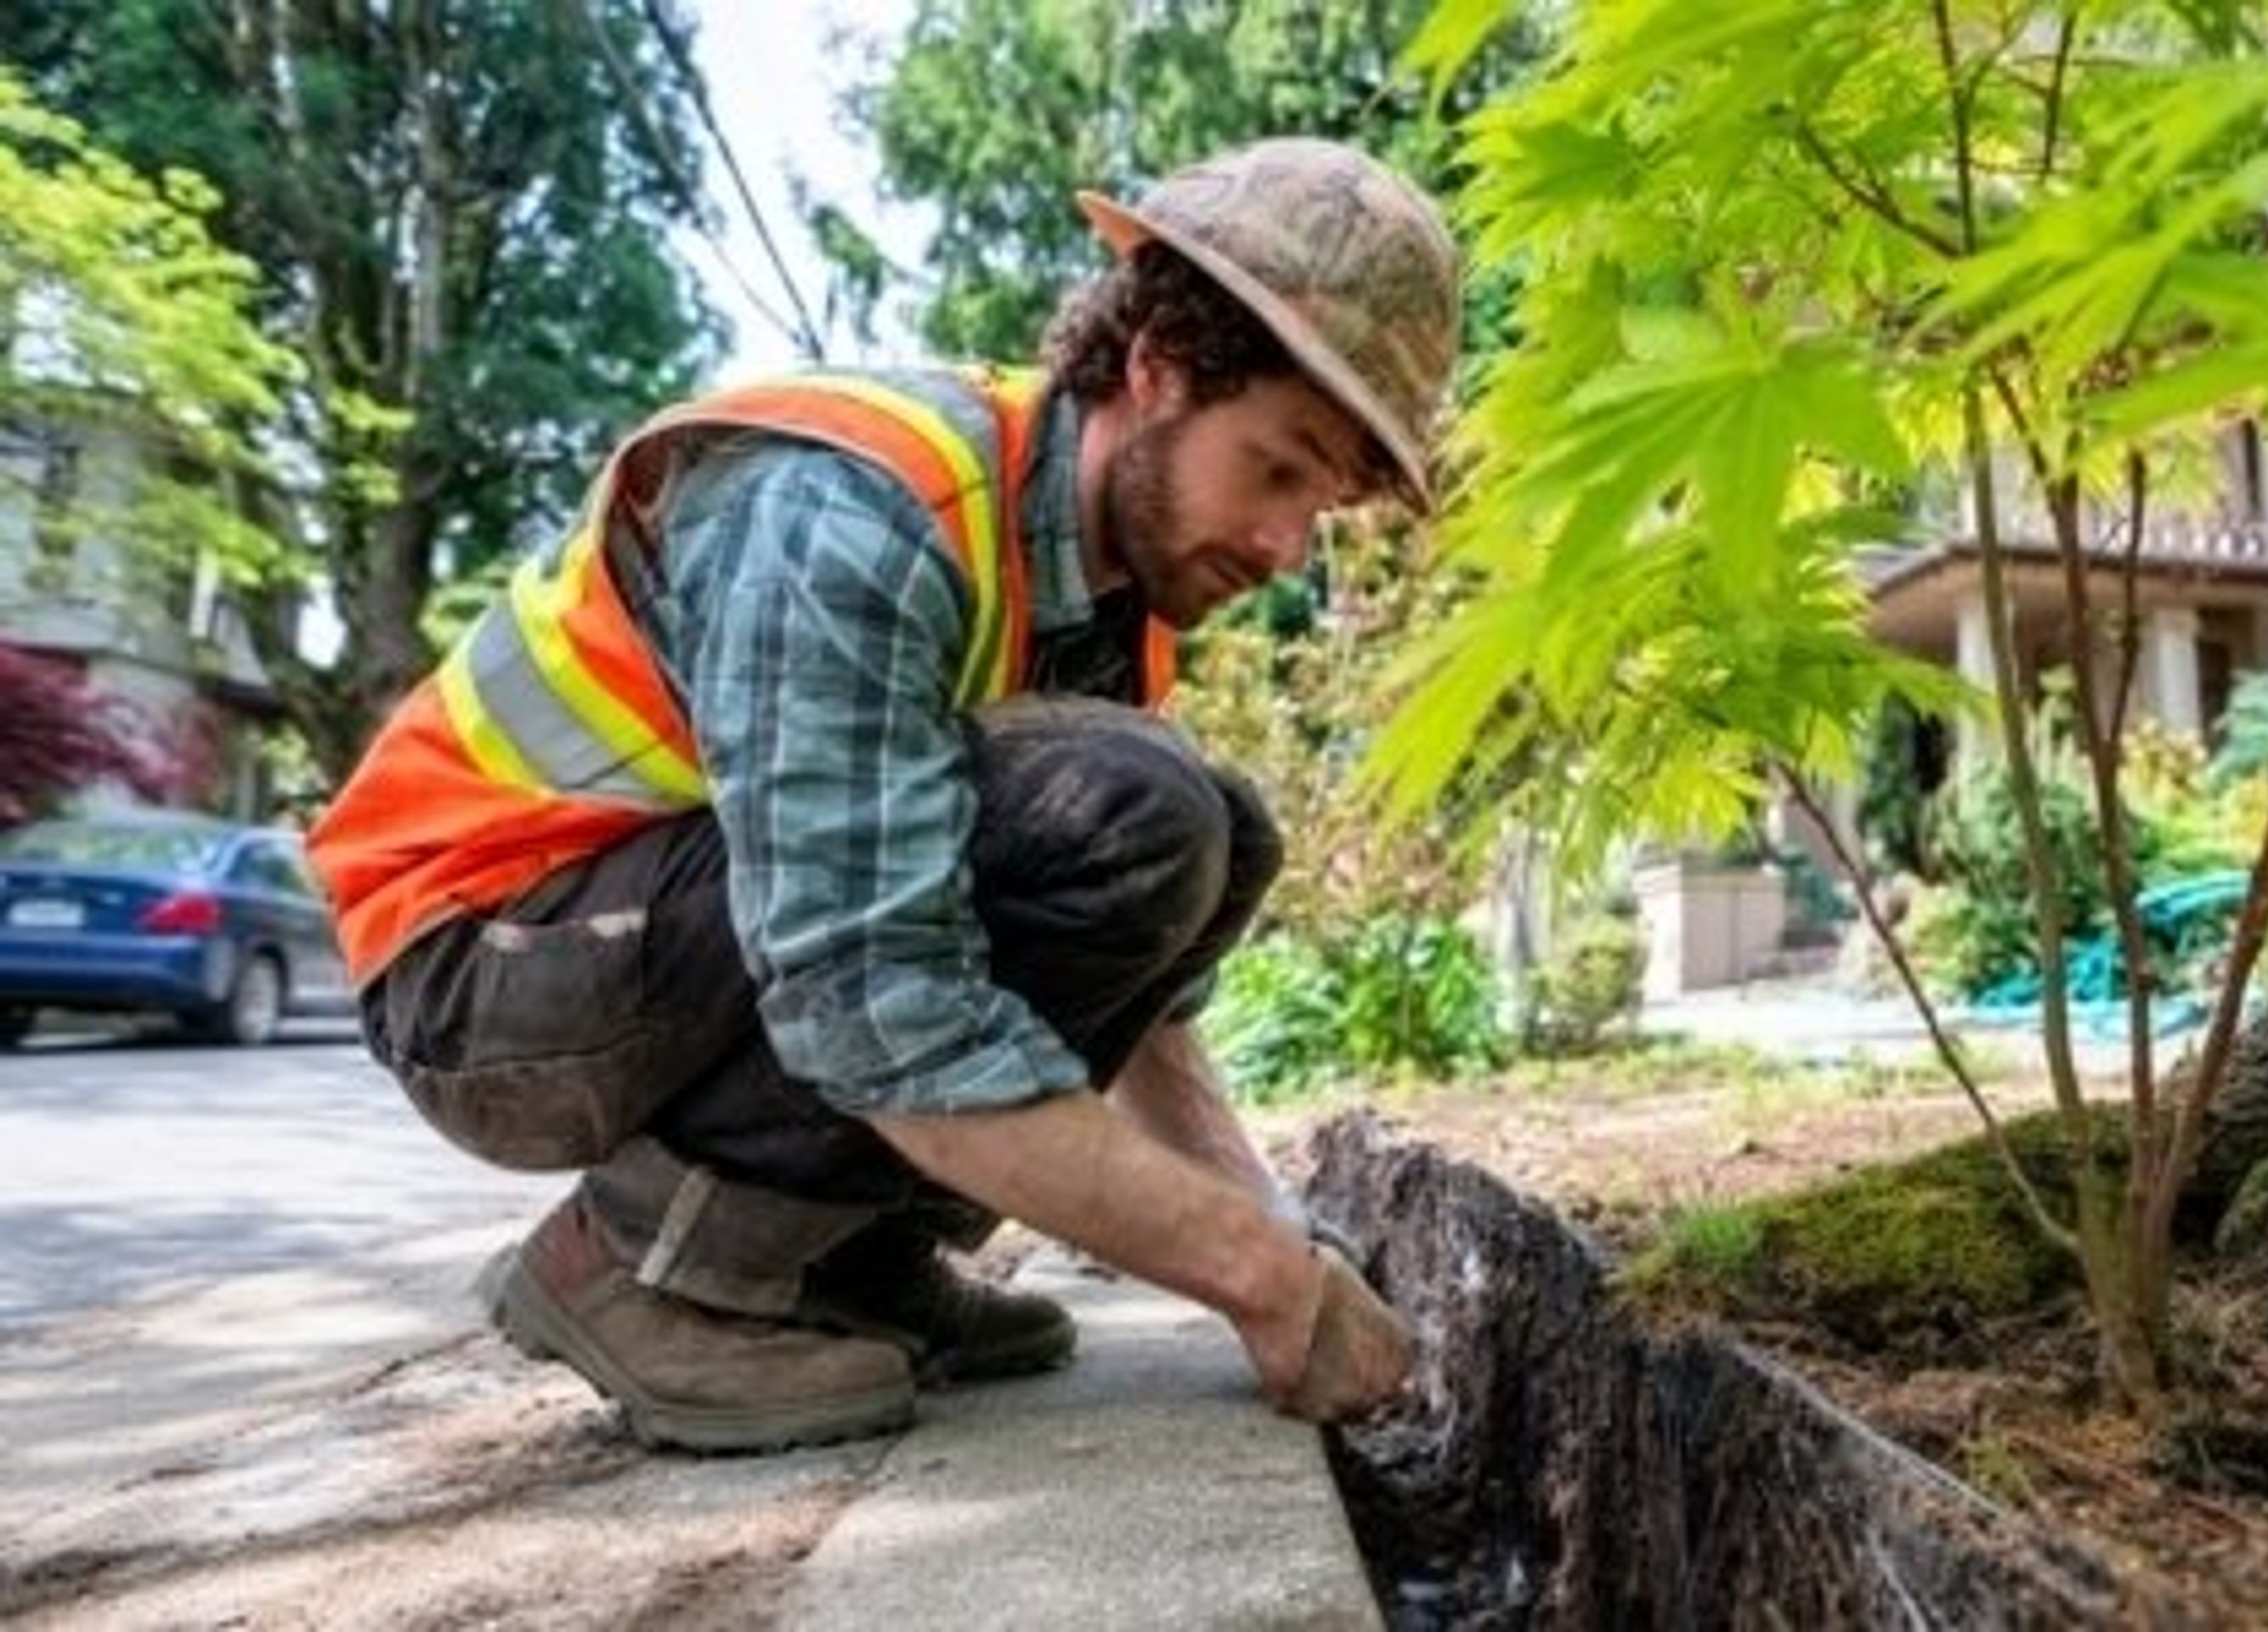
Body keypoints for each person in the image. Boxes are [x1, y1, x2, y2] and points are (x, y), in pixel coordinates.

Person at [307, 138, 1458, 1453]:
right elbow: (871, 997)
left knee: (1213, 831)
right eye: (1279, 468)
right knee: (1142, 814)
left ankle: (838, 1256)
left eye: (1329, 505)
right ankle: (642, 1267)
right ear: (1159, 370)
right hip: (482, 965)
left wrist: (1276, 1218)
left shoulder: (1101, 606)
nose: (1284, 548)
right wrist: (1263, 1284)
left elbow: (1141, 1017)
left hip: (654, 933)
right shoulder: (856, 511)